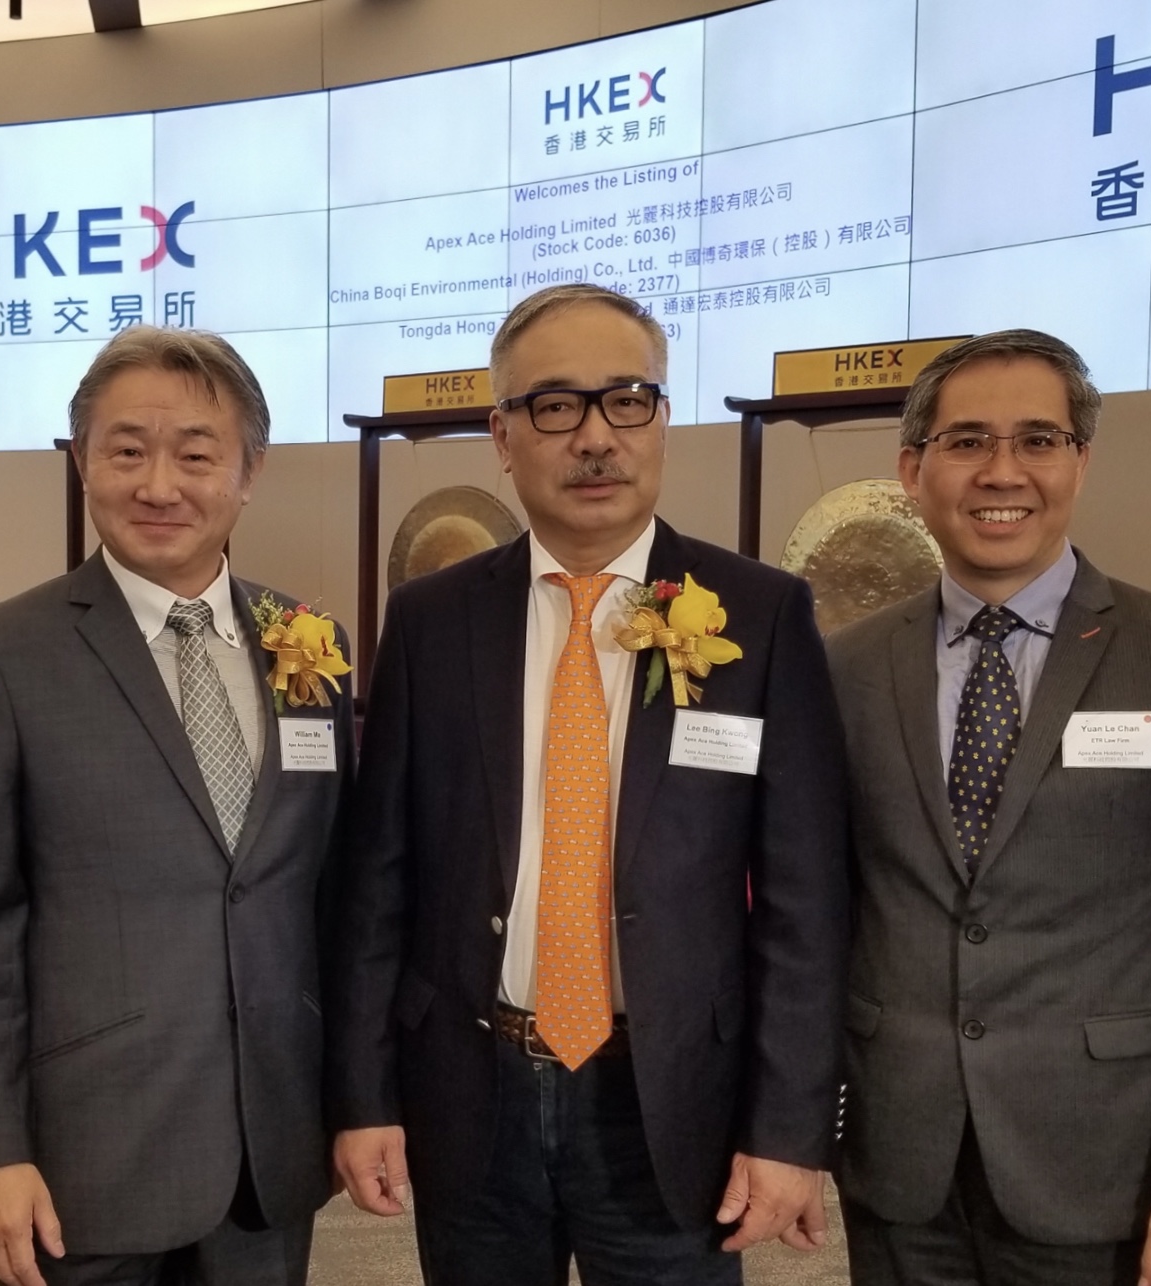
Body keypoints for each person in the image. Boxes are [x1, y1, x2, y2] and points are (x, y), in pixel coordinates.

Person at [328, 283, 850, 1284]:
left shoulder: (760, 615)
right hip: (470, 1089)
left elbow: (806, 904)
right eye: (556, 405)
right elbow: (376, 883)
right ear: (502, 435)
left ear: (662, 418)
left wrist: (788, 1127)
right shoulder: (430, 621)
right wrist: (364, 1094)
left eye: (627, 400)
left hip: (673, 1099)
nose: (596, 437)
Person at [827, 329, 1151, 1286]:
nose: (1002, 471)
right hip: (901, 1169)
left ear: (1081, 462)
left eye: (1038, 440)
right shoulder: (845, 667)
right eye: (967, 441)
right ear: (913, 470)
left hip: (1107, 1167)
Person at [0, 326, 350, 1286]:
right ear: (82, 460)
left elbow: (333, 893)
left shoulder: (311, 643)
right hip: (87, 1157)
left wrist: (356, 1100)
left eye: (196, 455)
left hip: (273, 1145)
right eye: (126, 451)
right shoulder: (0, 656)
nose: (160, 485)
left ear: (249, 471)